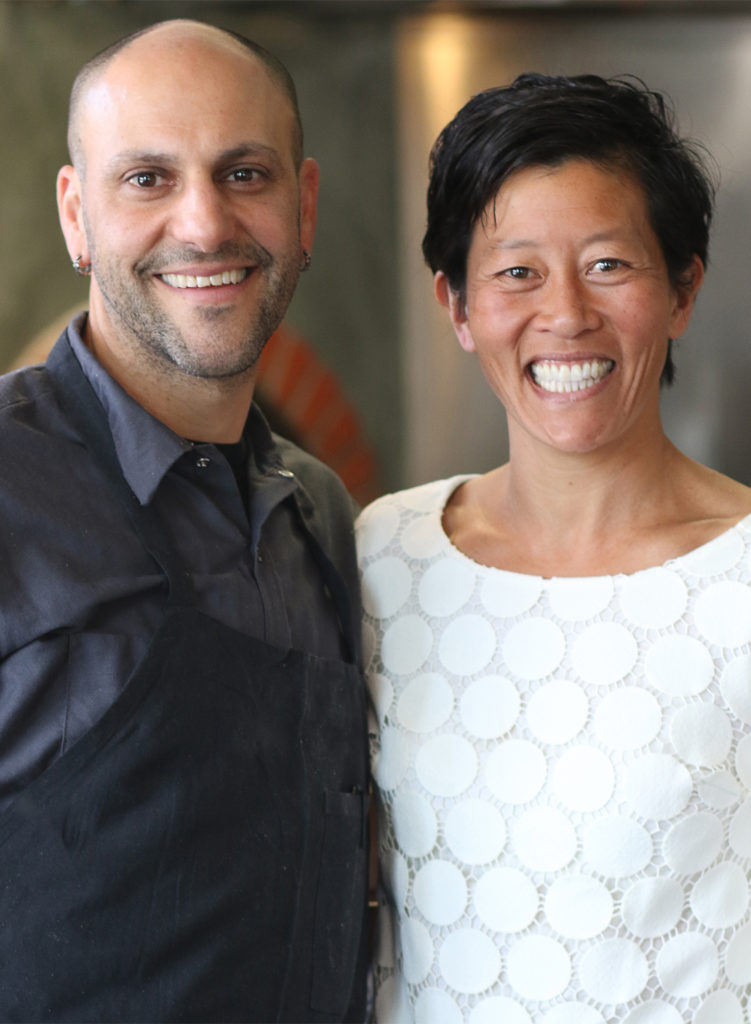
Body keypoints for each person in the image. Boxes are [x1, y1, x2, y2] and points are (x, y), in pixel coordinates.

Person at [358, 73, 751, 1023]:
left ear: (682, 289)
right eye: (516, 272)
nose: (565, 313)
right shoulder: (384, 552)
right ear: (456, 306)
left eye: (610, 264)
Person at [0, 19, 368, 1022]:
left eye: (245, 173)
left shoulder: (320, 517)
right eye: (148, 179)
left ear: (304, 208)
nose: (204, 225)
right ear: (77, 215)